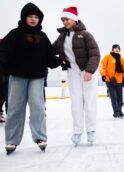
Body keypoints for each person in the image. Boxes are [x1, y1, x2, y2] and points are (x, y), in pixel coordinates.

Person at [0, 3, 61, 154]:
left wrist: (60, 61)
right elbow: (3, 52)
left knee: (38, 106)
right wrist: (3, 68)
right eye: (30, 16)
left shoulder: (43, 36)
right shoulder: (15, 34)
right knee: (14, 108)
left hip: (37, 77)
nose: (33, 19)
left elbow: (49, 58)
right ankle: (12, 140)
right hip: (17, 77)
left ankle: (40, 137)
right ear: (24, 17)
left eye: (36, 17)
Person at [53, 6, 100, 145]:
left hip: (87, 70)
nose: (64, 22)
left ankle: (91, 130)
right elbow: (51, 50)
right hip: (72, 71)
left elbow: (95, 53)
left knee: (89, 101)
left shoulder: (85, 35)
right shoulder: (62, 37)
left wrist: (90, 71)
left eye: (66, 19)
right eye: (63, 20)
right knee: (76, 102)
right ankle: (77, 131)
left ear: (74, 19)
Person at [100, 44, 124, 118]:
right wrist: (103, 75)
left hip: (119, 81)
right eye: (115, 48)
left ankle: (120, 111)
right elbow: (102, 66)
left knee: (119, 97)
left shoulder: (122, 60)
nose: (117, 49)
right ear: (112, 49)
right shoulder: (107, 57)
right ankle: (116, 112)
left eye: (118, 48)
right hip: (109, 80)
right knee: (113, 96)